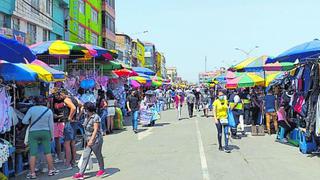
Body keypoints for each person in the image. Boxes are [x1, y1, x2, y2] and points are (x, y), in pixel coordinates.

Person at [23, 98, 59, 179]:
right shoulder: (48, 111)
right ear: (45, 103)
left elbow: (24, 121)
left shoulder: (31, 109)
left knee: (33, 153)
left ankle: (32, 173)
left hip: (33, 133)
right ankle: (51, 171)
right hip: (45, 132)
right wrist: (52, 136)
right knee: (48, 152)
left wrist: (31, 122)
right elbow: (51, 125)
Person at [72, 102, 105, 179]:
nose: (83, 110)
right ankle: (81, 173)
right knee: (85, 156)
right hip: (88, 138)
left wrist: (91, 140)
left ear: (88, 109)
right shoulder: (86, 116)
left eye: (85, 109)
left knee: (98, 155)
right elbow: (80, 121)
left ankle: (102, 169)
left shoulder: (96, 117)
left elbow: (96, 130)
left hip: (96, 139)